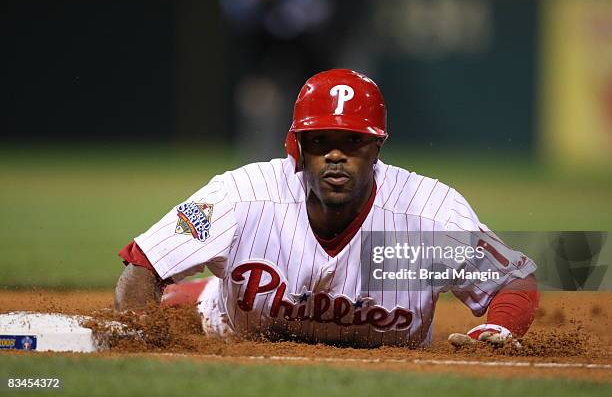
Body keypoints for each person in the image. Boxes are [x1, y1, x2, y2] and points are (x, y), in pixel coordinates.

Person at [114, 69, 539, 348]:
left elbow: (514, 280)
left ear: (377, 148)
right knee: (190, 304)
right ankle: (202, 295)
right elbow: (144, 261)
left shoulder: (431, 214)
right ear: (296, 148)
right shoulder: (240, 194)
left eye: (352, 141)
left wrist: (497, 329)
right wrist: (141, 338)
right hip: (234, 330)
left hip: (389, 360)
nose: (335, 155)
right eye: (320, 141)